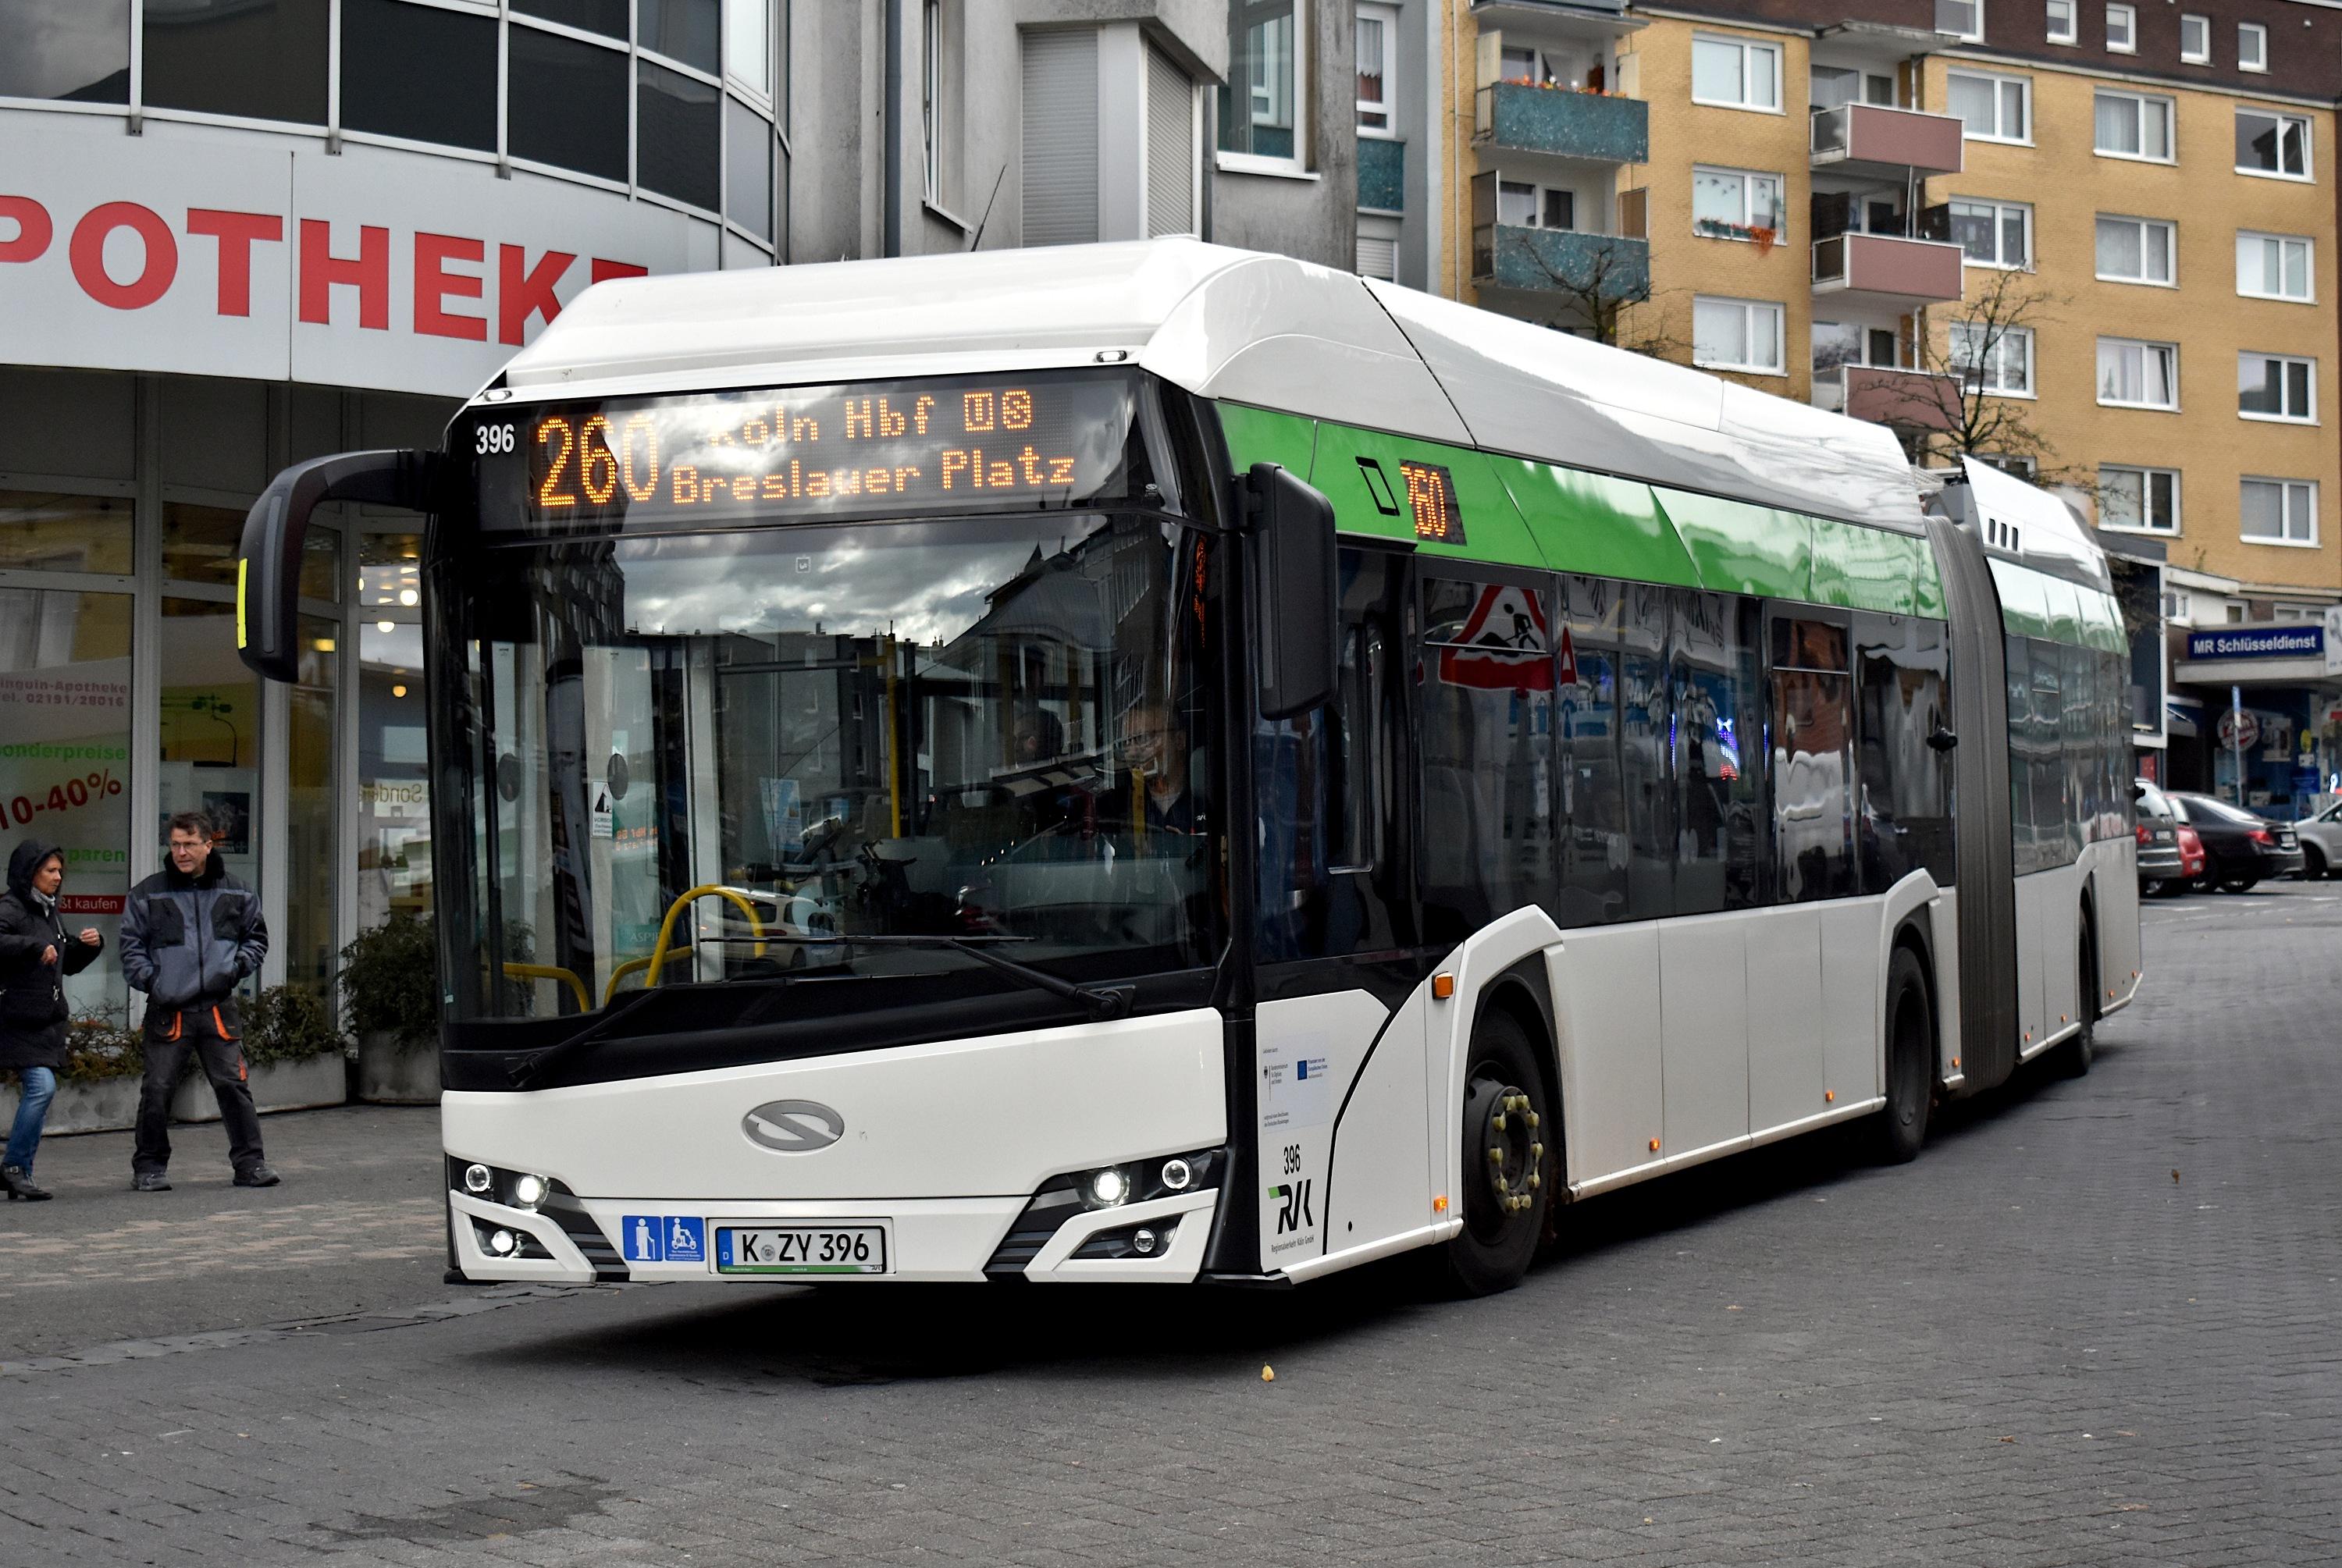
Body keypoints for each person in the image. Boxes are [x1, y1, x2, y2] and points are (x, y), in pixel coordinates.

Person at [118, 812, 278, 1191]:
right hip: (168, 1009)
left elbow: (257, 939)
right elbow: (130, 948)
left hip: (218, 1007)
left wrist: (235, 969)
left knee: (233, 1086)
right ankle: (149, 1168)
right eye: (175, 844)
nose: (181, 851)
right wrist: (155, 983)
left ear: (209, 845)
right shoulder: (147, 892)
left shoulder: (238, 890)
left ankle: (251, 1165)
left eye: (189, 844)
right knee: (156, 1089)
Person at [0, 841, 105, 1200]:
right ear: (29, 873)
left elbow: (64, 964)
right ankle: (15, 1167)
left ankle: (19, 1172)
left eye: (60, 871)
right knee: (41, 1087)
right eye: (50, 871)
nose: (58, 878)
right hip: (15, 1018)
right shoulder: (10, 908)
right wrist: (32, 947)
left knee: (39, 1091)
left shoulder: (50, 913)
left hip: (44, 1021)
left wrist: (89, 947)